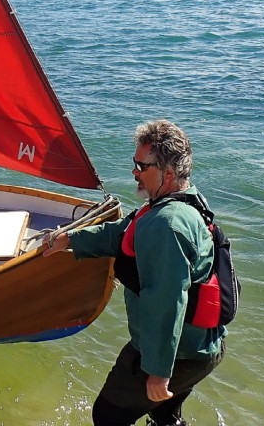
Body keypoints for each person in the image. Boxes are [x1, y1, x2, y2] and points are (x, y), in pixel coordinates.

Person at [44, 120, 226, 426]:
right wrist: (72, 240)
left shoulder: (167, 225)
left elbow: (166, 302)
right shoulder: (181, 201)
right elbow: (125, 232)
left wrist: (157, 372)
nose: (134, 172)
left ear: (168, 173)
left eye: (141, 166)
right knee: (163, 415)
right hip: (201, 349)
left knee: (107, 414)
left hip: (178, 355)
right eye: (134, 163)